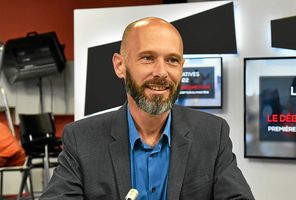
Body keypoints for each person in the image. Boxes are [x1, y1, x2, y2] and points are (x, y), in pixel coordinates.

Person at [40, 17, 254, 200]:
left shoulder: (212, 134)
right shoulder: (82, 138)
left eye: (172, 60)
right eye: (148, 58)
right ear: (120, 65)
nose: (161, 72)